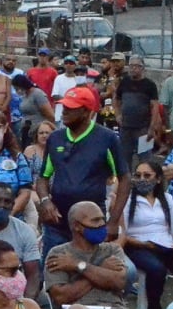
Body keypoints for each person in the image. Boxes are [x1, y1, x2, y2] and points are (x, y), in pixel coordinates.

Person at [33, 86, 127, 249]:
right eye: (64, 107)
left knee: (89, 270)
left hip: (91, 222)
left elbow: (125, 178)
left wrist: (113, 222)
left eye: (71, 108)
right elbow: (43, 177)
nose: (64, 112)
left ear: (85, 112)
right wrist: (45, 200)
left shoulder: (107, 138)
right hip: (57, 221)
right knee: (53, 269)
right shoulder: (55, 138)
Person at [121, 156, 173, 309]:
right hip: (138, 246)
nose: (142, 179)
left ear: (158, 179)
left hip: (165, 245)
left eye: (147, 176)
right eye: (138, 175)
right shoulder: (128, 200)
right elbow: (122, 233)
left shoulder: (167, 199)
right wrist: (144, 244)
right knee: (157, 269)